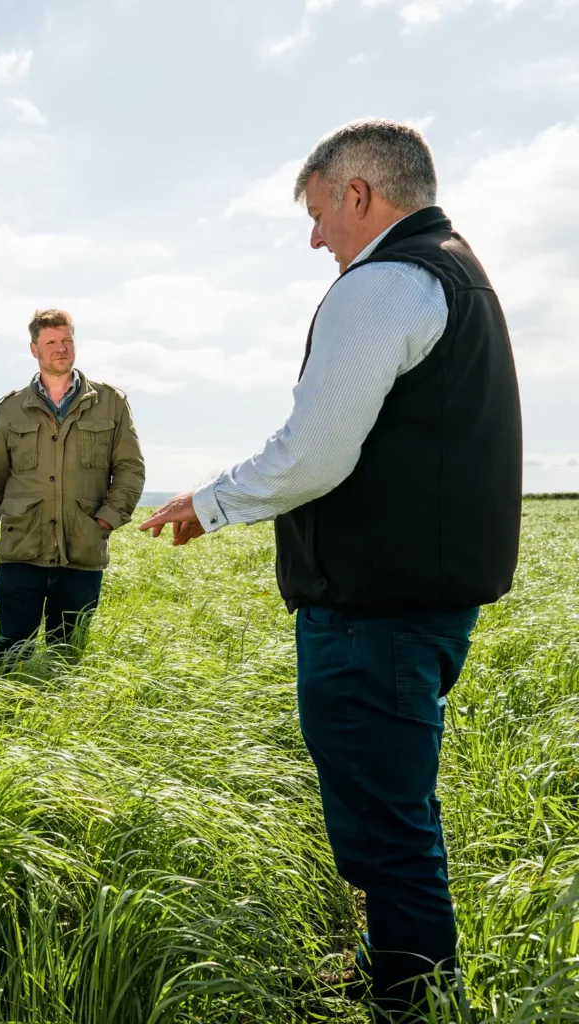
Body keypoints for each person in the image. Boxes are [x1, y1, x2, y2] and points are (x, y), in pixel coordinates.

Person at [140, 119, 522, 1021]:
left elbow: (314, 452)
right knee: (389, 802)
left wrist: (212, 501)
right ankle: (390, 963)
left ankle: (412, 1000)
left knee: (386, 824)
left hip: (376, 612)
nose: (316, 239)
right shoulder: (457, 274)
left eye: (317, 215)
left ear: (359, 195)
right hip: (415, 602)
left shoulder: (384, 282)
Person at [0, 308, 145, 667]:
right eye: (51, 343)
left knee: (67, 659)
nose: (61, 349)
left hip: (82, 553)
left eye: (67, 341)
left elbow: (130, 470)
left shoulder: (110, 402)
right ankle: (0, 718)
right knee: (11, 655)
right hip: (21, 551)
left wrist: (103, 522)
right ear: (34, 350)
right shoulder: (11, 409)